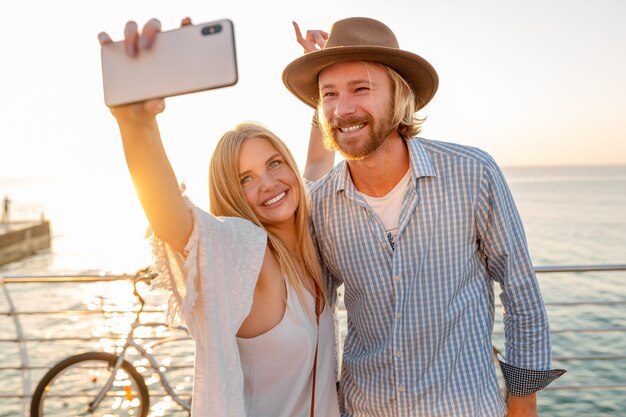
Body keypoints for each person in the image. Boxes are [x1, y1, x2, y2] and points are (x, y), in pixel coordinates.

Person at [285, 17, 566, 417]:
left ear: (399, 97)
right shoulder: (320, 205)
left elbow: (521, 293)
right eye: (329, 93)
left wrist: (522, 405)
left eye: (360, 88)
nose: (342, 108)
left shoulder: (473, 173)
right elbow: (317, 319)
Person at [98, 18, 339, 417]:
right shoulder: (250, 254)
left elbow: (317, 161)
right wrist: (136, 123)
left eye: (275, 163)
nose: (268, 183)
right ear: (231, 193)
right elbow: (174, 222)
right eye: (246, 178)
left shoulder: (308, 220)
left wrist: (323, 88)